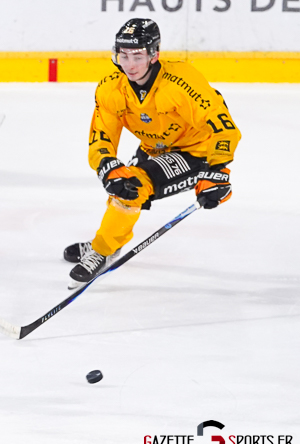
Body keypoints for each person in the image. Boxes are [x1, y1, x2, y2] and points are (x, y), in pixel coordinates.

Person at [64, 19, 241, 288]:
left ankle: (102, 250)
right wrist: (107, 165)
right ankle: (109, 241)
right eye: (123, 55)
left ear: (154, 54)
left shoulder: (181, 82)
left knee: (135, 185)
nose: (130, 64)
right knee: (121, 185)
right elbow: (101, 137)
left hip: (195, 152)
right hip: (153, 147)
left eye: (137, 56)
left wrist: (217, 170)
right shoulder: (111, 88)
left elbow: (224, 127)